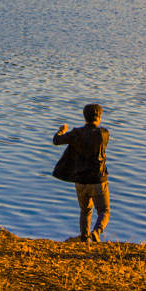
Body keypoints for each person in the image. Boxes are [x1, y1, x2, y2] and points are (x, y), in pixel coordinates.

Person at [51, 103, 110, 242]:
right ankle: (96, 232)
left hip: (80, 180)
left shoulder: (76, 133)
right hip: (98, 180)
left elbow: (56, 141)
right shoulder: (104, 134)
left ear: (84, 117)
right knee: (104, 211)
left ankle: (84, 238)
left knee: (85, 210)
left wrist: (61, 131)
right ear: (99, 117)